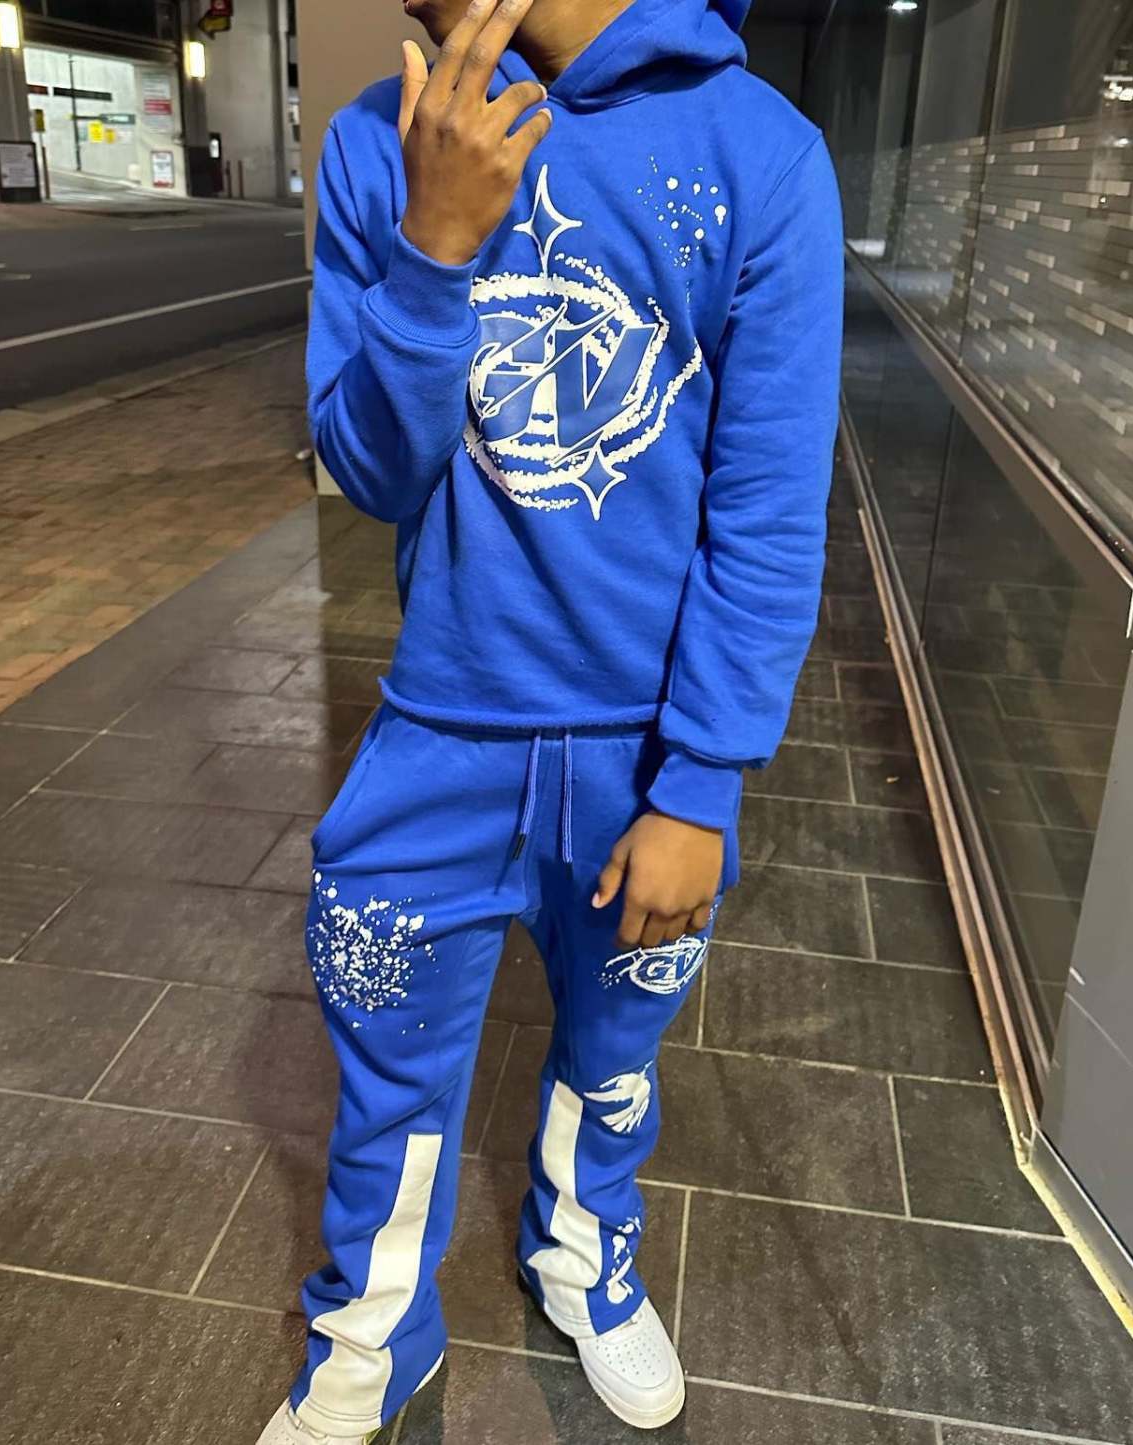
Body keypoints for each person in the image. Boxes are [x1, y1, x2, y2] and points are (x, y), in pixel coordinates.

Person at [258, 0, 841, 1439]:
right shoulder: (377, 141)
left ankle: (583, 1256)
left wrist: (701, 782)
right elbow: (369, 473)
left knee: (614, 1055)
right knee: (387, 1074)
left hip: (648, 753)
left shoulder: (761, 153)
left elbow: (767, 512)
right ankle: (370, 1332)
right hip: (436, 732)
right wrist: (434, 243)